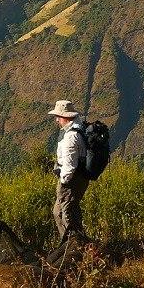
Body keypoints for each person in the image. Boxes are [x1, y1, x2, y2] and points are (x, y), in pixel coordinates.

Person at [48, 99, 87, 244]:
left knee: (67, 214)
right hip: (79, 179)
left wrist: (63, 182)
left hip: (71, 181)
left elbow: (70, 165)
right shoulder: (79, 128)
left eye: (58, 116)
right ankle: (70, 244)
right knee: (59, 212)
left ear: (65, 117)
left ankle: (75, 247)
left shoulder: (71, 137)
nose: (57, 120)